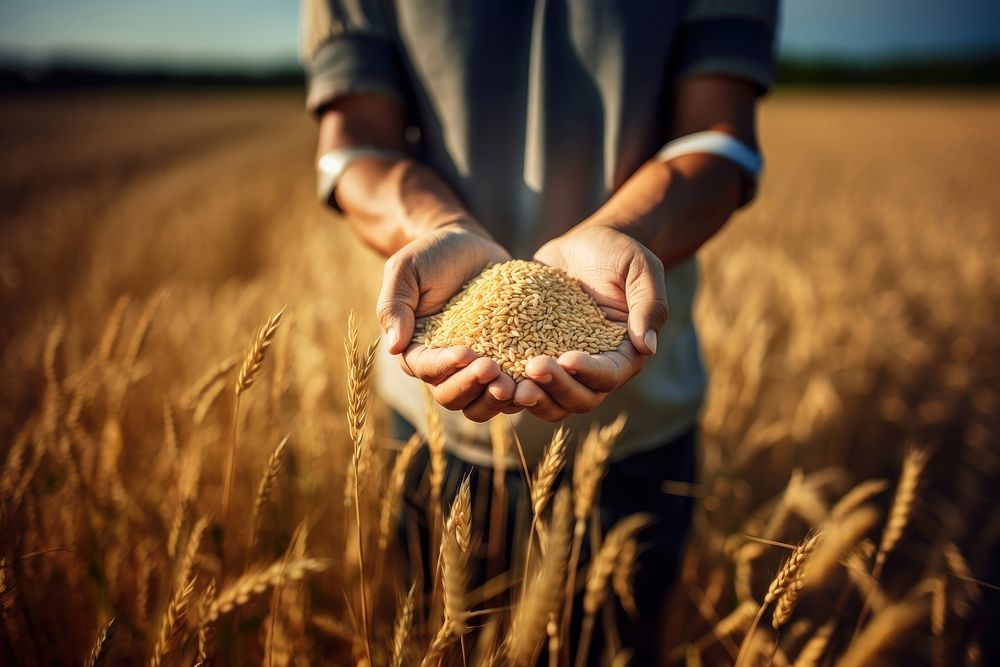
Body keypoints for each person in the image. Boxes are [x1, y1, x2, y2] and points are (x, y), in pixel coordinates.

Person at [302, 1, 776, 662]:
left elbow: (719, 139)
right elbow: (356, 144)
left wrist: (626, 232)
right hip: (430, 427)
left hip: (633, 429)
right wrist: (438, 228)